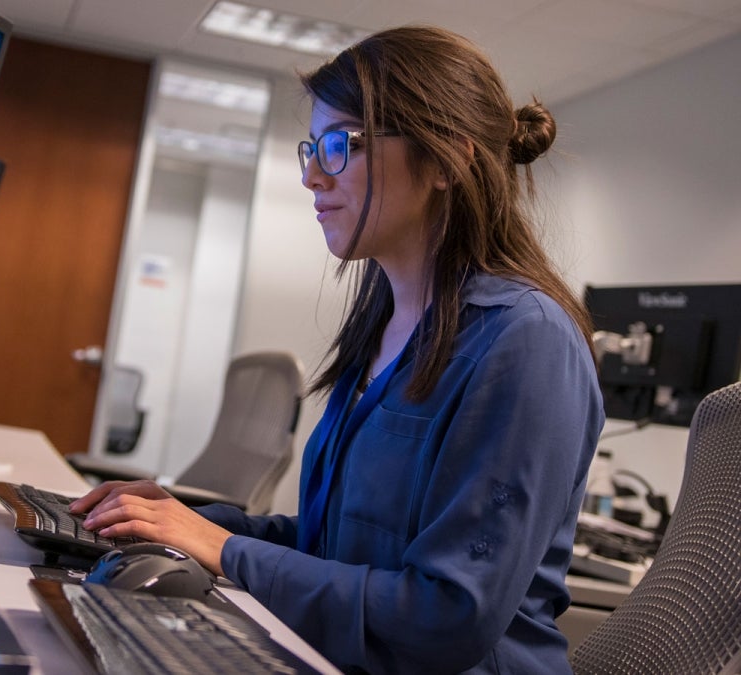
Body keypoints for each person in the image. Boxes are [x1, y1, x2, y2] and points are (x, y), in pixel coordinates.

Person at [70, 25, 605, 674]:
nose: (313, 176)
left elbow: (446, 613)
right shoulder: (382, 325)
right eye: (310, 149)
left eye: (338, 145)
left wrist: (222, 548)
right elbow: (338, 546)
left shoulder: (528, 341)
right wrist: (179, 521)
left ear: (447, 160)